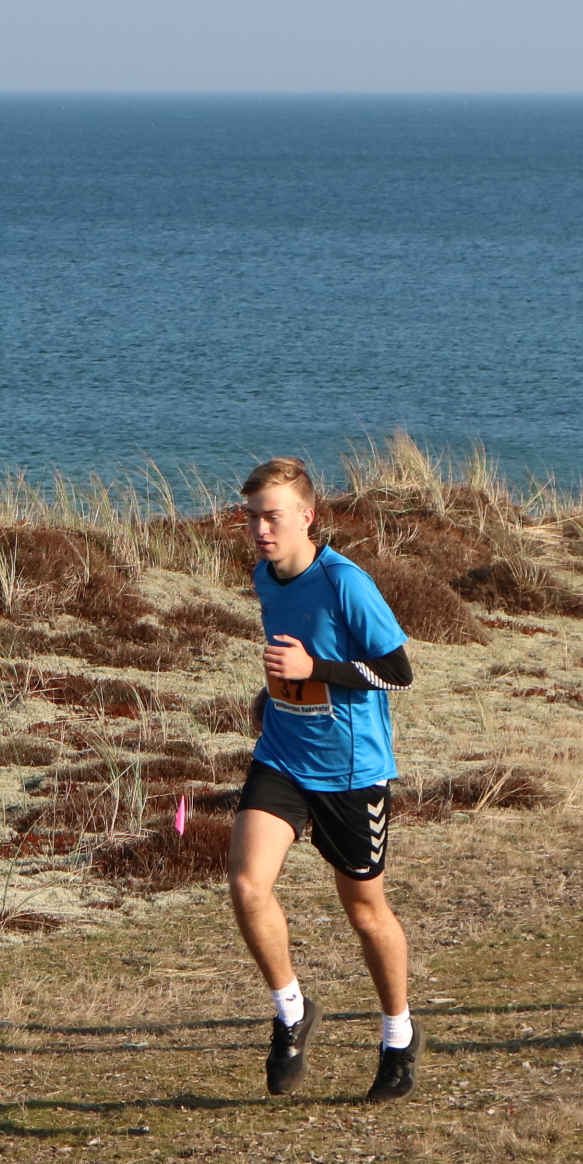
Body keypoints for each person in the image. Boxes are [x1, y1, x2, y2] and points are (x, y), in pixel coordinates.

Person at [224, 457, 423, 1102]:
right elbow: (290, 646)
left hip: (351, 772)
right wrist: (273, 689)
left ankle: (398, 1036)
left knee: (365, 911)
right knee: (248, 885)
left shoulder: (346, 583)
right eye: (251, 516)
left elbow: (397, 672)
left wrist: (315, 669)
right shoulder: (265, 576)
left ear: (307, 517)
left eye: (272, 516)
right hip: (283, 754)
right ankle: (291, 1013)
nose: (259, 529)